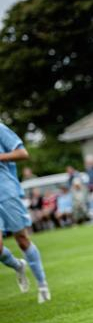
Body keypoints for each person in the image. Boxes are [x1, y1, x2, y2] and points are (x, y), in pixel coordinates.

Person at [0, 123, 50, 302]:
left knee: (22, 239)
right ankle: (18, 265)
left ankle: (42, 284)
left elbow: (22, 153)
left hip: (6, 191)